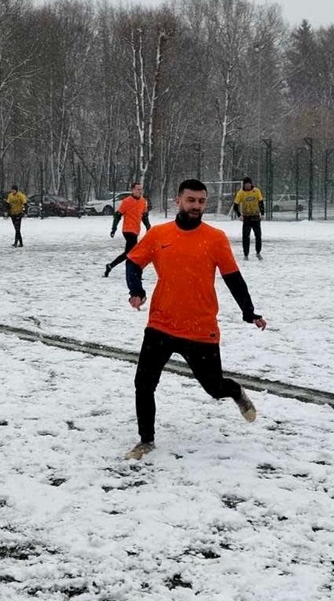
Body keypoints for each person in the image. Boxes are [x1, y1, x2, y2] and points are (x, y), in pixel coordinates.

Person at [121, 179, 266, 460]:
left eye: (201, 201)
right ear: (178, 201)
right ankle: (146, 440)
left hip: (200, 328)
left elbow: (233, 278)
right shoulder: (159, 234)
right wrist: (136, 290)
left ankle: (235, 391)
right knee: (144, 383)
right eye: (191, 200)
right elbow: (133, 262)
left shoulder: (215, 238)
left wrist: (249, 312)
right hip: (161, 324)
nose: (196, 206)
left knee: (215, 388)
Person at [104, 182, 151, 277]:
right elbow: (118, 215)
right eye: (137, 189)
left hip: (136, 230)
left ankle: (111, 266)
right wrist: (114, 228)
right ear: (132, 190)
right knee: (134, 252)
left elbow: (144, 216)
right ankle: (136, 272)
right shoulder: (126, 201)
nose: (140, 191)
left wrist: (148, 227)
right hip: (128, 230)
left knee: (129, 253)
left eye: (141, 189)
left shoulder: (143, 202)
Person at [231, 176, 265, 260]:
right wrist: (239, 215)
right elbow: (235, 206)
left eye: (249, 184)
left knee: (258, 235)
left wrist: (262, 213)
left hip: (255, 216)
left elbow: (261, 202)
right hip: (246, 217)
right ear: (243, 185)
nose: (247, 186)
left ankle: (258, 252)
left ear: (251, 184)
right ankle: (246, 254)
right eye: (246, 185)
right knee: (246, 237)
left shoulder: (256, 191)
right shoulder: (241, 193)